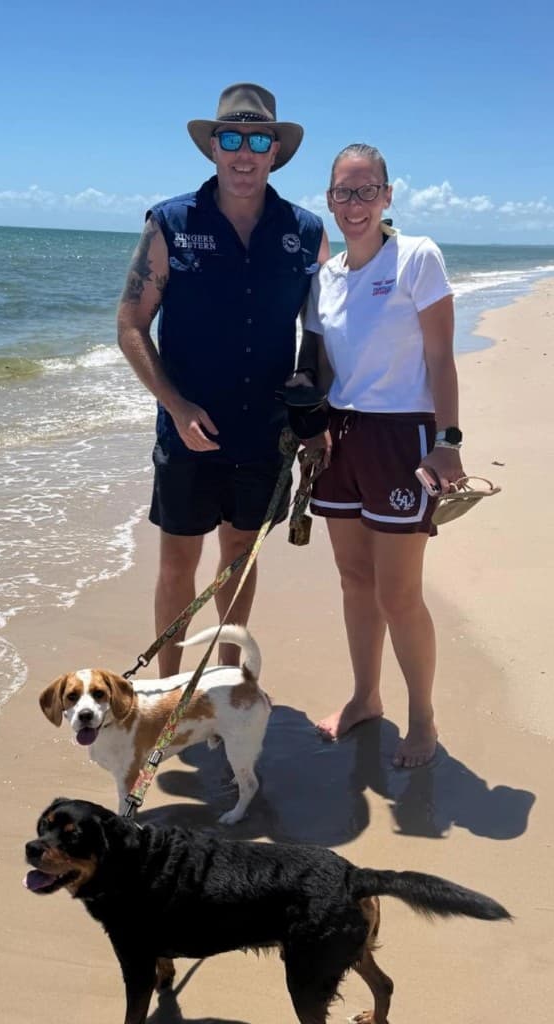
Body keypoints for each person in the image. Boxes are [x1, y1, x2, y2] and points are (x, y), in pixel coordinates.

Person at [117, 83, 328, 675]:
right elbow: (131, 325)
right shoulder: (170, 223)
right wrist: (176, 406)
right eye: (231, 138)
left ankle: (226, 684)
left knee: (239, 554)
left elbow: (319, 328)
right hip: (189, 431)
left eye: (257, 140)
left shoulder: (306, 231)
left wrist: (315, 411)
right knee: (178, 562)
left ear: (274, 152)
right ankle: (170, 690)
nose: (243, 153)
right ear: (213, 147)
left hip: (266, 431)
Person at [301, 143, 463, 768]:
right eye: (343, 192)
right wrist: (309, 429)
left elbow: (442, 358)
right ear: (329, 200)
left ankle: (422, 718)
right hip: (341, 438)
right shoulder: (325, 277)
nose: (355, 203)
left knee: (399, 594)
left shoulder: (418, 257)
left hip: (404, 438)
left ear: (388, 195)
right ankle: (365, 696)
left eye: (367, 191)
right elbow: (315, 365)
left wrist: (448, 442)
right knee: (354, 579)